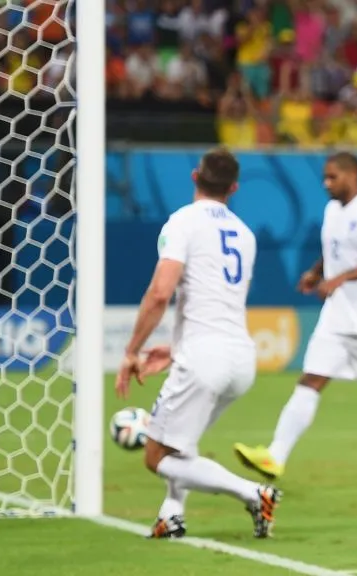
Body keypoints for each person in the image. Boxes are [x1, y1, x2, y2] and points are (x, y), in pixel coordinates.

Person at [115, 147, 281, 539]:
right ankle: (171, 516)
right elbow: (223, 300)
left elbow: (160, 293)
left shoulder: (183, 222)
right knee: (181, 445)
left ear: (195, 176)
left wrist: (132, 351)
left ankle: (254, 493)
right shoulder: (245, 234)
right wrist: (175, 350)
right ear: (234, 187)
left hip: (205, 358)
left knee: (156, 456)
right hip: (240, 358)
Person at [233, 152, 357, 480]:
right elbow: (334, 251)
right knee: (310, 381)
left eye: (332, 177)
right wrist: (316, 272)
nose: (326, 183)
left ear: (353, 175)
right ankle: (275, 456)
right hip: (336, 319)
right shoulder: (331, 210)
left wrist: (339, 280)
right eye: (325, 177)